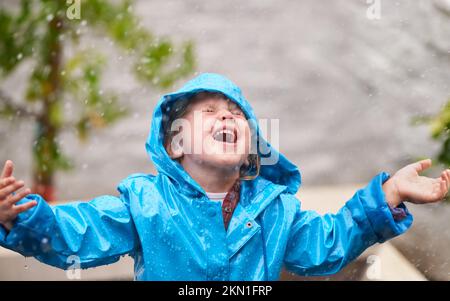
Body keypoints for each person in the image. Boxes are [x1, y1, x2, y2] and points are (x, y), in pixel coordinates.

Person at [0, 73, 449, 280]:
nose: (227, 118)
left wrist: (388, 193)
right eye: (210, 112)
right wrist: (16, 218)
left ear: (251, 153)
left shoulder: (275, 211)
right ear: (176, 145)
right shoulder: (146, 203)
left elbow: (327, 246)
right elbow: (75, 235)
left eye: (237, 114)